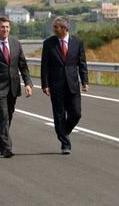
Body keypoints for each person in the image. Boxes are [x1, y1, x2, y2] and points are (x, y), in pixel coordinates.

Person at [0, 16, 33, 158]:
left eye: (7, 27)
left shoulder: (16, 44)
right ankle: (7, 148)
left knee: (9, 116)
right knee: (3, 116)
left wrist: (28, 83)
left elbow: (23, 66)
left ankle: (1, 143)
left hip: (13, 86)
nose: (5, 30)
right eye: (2, 27)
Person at [40, 17, 89, 155]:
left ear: (64, 29)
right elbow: (45, 66)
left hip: (73, 85)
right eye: (53, 26)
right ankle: (65, 143)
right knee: (59, 115)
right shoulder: (48, 43)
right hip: (56, 85)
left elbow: (82, 63)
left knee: (76, 113)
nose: (53, 29)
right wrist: (45, 84)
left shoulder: (77, 42)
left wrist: (85, 81)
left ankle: (63, 132)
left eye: (56, 27)